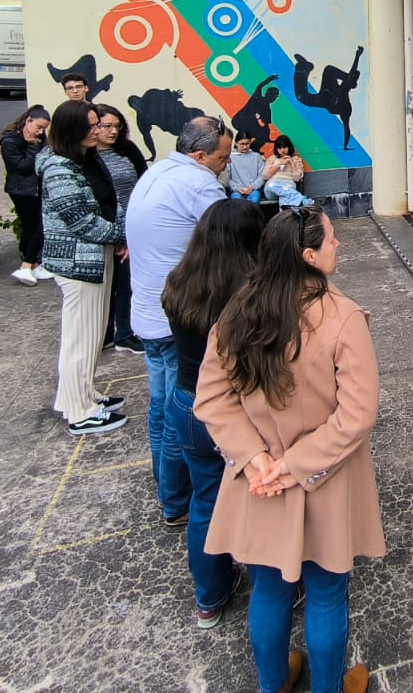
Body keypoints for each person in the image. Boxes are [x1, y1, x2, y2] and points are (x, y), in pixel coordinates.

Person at [195, 209, 384, 693]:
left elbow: (212, 398)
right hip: (327, 478)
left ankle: (273, 683)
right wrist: (294, 464)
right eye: (331, 239)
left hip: (259, 482)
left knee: (269, 590)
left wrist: (254, 457)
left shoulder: (237, 311)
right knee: (326, 592)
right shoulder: (343, 318)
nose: (338, 244)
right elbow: (357, 414)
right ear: (308, 256)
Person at [161, 199, 264, 629]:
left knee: (205, 500)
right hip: (238, 410)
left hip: (188, 403)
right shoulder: (250, 296)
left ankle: (210, 597)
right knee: (259, 500)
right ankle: (275, 584)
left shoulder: (179, 282)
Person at [126, 117, 232, 525]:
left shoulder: (158, 173)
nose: (225, 165)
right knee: (181, 414)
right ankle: (177, 500)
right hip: (179, 320)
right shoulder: (198, 184)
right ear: (200, 155)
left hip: (149, 313)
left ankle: (166, 488)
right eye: (222, 158)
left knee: (160, 407)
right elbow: (232, 237)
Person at [37, 101, 128, 436]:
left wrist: (118, 234)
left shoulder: (85, 158)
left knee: (91, 336)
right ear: (70, 129)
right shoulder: (58, 167)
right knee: (81, 338)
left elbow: (109, 203)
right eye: (91, 125)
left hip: (97, 256)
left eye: (98, 124)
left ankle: (81, 396)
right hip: (77, 262)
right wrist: (121, 235)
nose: (98, 130)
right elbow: (81, 221)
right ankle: (80, 413)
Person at [93, 103, 149, 354]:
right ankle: (104, 333)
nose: (113, 131)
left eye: (117, 126)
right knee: (105, 285)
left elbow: (144, 179)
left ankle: (124, 333)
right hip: (102, 227)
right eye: (107, 126)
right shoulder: (88, 156)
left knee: (127, 282)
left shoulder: (127, 149)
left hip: (131, 225)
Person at [0, 105, 52, 286]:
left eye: (44, 128)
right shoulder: (9, 141)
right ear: (28, 121)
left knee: (35, 226)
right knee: (34, 226)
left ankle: (31, 263)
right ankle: (27, 264)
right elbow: (22, 167)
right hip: (21, 190)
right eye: (38, 127)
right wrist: (32, 147)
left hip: (37, 187)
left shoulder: (39, 138)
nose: (41, 132)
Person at [263, 135, 315, 208]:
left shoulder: (296, 159)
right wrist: (278, 164)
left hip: (288, 187)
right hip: (272, 188)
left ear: (289, 147)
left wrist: (292, 163)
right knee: (271, 184)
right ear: (276, 149)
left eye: (285, 147)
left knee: (285, 200)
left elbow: (297, 178)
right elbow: (265, 176)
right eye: (279, 148)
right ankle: (302, 199)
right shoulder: (272, 159)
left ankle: (285, 214)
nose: (282, 150)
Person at [224, 132, 267, 202]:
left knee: (254, 200)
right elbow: (226, 178)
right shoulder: (230, 157)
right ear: (236, 143)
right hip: (236, 191)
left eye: (247, 144)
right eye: (242, 144)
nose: (245, 147)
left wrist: (253, 187)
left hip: (253, 190)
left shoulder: (256, 157)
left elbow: (262, 175)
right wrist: (237, 188)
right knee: (236, 201)